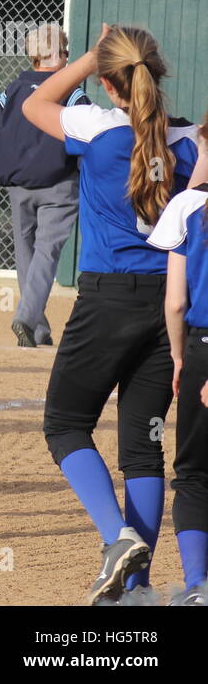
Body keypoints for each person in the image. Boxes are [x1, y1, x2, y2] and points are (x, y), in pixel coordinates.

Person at [22, 24, 201, 604]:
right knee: (144, 447)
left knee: (66, 423)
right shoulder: (193, 142)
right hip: (169, 304)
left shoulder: (97, 127)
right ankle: (139, 588)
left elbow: (34, 102)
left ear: (107, 81)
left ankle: (115, 540)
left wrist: (86, 59)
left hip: (107, 300)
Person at [0, 22, 90, 347]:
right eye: (65, 52)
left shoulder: (12, 90)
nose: (67, 58)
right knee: (46, 252)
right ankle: (26, 317)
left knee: (26, 252)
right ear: (58, 56)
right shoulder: (74, 94)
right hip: (60, 185)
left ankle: (36, 326)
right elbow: (87, 138)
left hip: (18, 185)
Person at [148, 114, 208, 605]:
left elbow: (174, 303)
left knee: (194, 473)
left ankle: (196, 586)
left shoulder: (187, 206)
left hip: (204, 347)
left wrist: (178, 356)